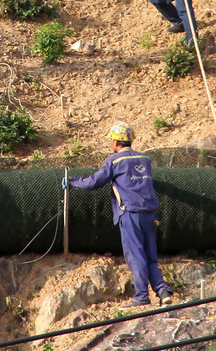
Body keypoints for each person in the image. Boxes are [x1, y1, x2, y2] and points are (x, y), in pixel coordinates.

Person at [64, 122, 174, 306]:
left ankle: (141, 297)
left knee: (135, 255)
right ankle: (163, 292)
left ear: (116, 141)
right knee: (150, 255)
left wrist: (73, 181)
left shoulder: (114, 161)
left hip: (131, 213)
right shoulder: (145, 159)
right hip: (149, 213)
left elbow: (94, 182)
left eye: (111, 140)